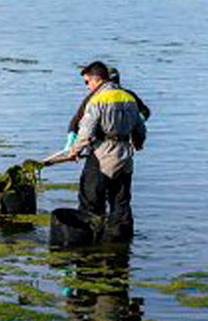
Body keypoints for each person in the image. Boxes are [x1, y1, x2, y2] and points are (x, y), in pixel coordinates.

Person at [43, 62, 148, 238]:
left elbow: (86, 132)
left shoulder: (97, 99)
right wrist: (138, 143)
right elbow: (141, 128)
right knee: (121, 203)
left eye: (87, 82)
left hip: (101, 156)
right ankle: (121, 244)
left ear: (97, 79)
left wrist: (74, 150)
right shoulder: (129, 98)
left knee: (90, 201)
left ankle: (89, 242)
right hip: (125, 156)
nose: (87, 87)